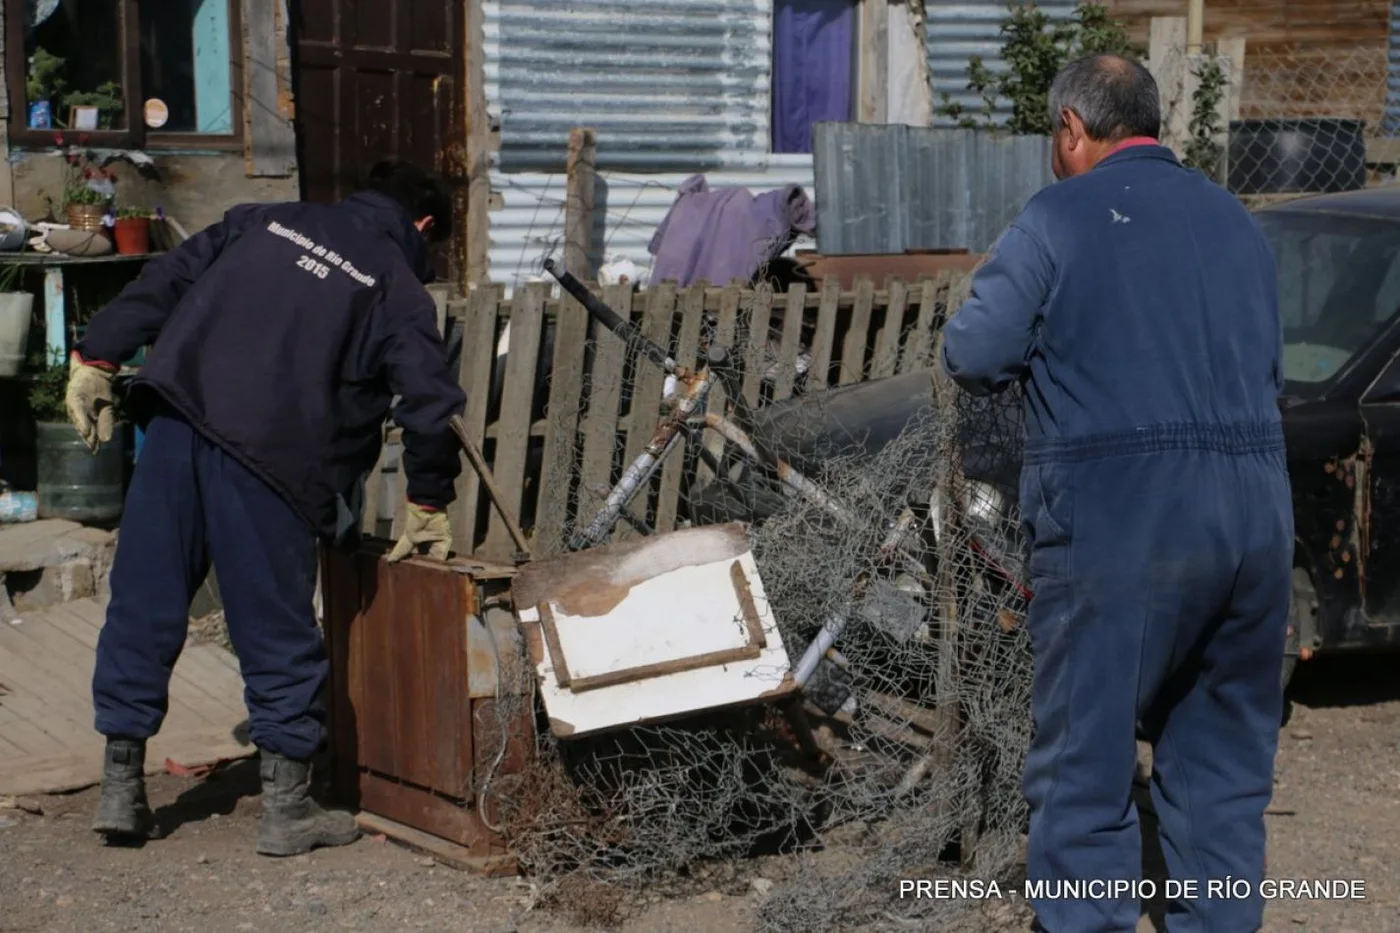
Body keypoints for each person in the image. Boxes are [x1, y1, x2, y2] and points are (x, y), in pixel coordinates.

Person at [940, 56, 1292, 933]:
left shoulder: (1059, 215)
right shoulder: (1237, 222)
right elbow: (1269, 372)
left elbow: (976, 352)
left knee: (1084, 773)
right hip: (1254, 522)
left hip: (1119, 522)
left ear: (1071, 128)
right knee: (1220, 775)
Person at [65, 159, 467, 856]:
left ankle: (120, 790)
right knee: (275, 625)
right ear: (422, 224)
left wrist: (97, 354)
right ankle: (287, 809)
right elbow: (429, 403)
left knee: (143, 602)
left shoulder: (261, 218)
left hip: (176, 423)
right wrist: (428, 496)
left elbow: (162, 279)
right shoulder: (395, 285)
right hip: (276, 459)